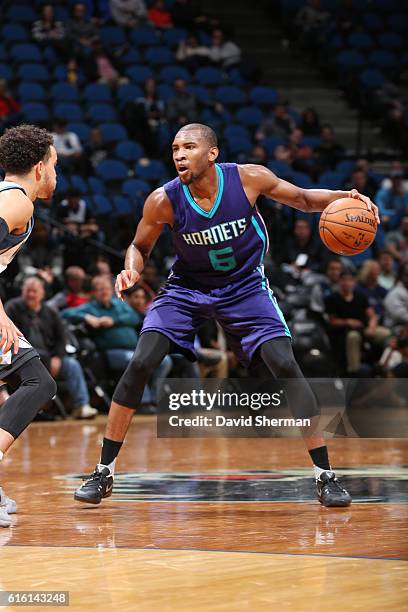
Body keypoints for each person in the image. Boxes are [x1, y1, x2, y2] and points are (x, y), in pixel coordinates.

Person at [75, 123, 379, 509]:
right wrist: (131, 268)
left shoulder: (249, 178)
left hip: (245, 286)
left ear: (212, 153)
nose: (179, 155)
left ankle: (325, 476)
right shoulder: (163, 200)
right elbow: (139, 244)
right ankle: (104, 472)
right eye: (175, 149)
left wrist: (344, 196)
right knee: (140, 362)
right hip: (187, 289)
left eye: (188, 147)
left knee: (285, 363)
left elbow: (303, 199)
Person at [0, 125, 59, 528]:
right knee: (39, 382)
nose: (56, 176)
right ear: (39, 169)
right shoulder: (18, 204)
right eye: (55, 166)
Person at [5, 277, 97, 420]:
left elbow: (62, 338)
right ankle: (28, 411)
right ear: (22, 291)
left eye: (34, 291)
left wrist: (58, 358)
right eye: (28, 291)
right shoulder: (12, 308)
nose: (31, 295)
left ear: (42, 294)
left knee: (72, 365)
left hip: (49, 357)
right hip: (22, 358)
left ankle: (82, 406)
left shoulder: (50, 312)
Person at [325, 270, 390, 374]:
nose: (347, 283)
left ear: (354, 282)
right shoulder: (332, 298)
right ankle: (355, 371)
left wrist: (372, 327)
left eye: (350, 280)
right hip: (345, 331)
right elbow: (332, 321)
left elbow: (372, 315)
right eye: (344, 280)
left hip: (364, 327)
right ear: (339, 282)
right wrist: (347, 322)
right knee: (353, 337)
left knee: (387, 334)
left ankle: (384, 366)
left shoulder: (361, 296)